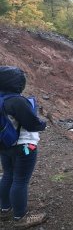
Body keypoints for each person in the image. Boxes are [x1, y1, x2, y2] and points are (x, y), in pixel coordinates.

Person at [0, 66, 47, 228]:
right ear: (18, 83)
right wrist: (44, 124)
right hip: (24, 147)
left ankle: (4, 208)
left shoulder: (1, 98)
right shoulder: (17, 101)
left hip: (4, 146)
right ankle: (20, 217)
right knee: (20, 181)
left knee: (7, 176)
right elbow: (32, 124)